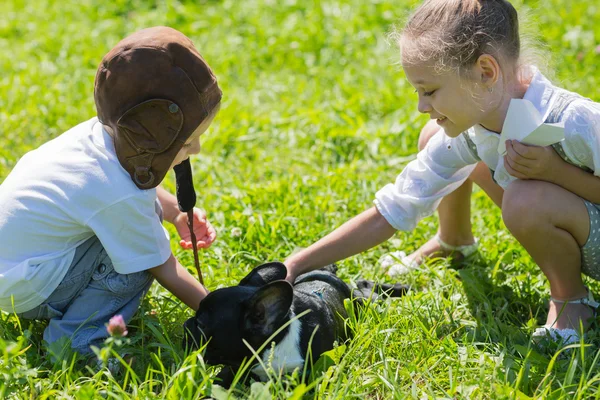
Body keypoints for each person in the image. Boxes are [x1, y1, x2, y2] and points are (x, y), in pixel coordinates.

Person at [284, 0, 600, 343]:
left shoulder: (574, 120)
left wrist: (555, 171)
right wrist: (296, 264)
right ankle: (454, 240)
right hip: (578, 229)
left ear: (486, 72)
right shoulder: (478, 125)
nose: (421, 106)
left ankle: (572, 299)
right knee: (436, 137)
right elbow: (391, 210)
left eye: (430, 91)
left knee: (525, 199)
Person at [0, 26, 221, 355]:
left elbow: (131, 184)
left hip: (16, 268)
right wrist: (220, 312)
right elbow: (163, 266)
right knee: (137, 263)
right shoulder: (117, 194)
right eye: (188, 142)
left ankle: (83, 307)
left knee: (139, 226)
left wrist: (175, 212)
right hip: (27, 289)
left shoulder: (100, 137)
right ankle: (74, 341)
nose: (198, 149)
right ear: (150, 138)